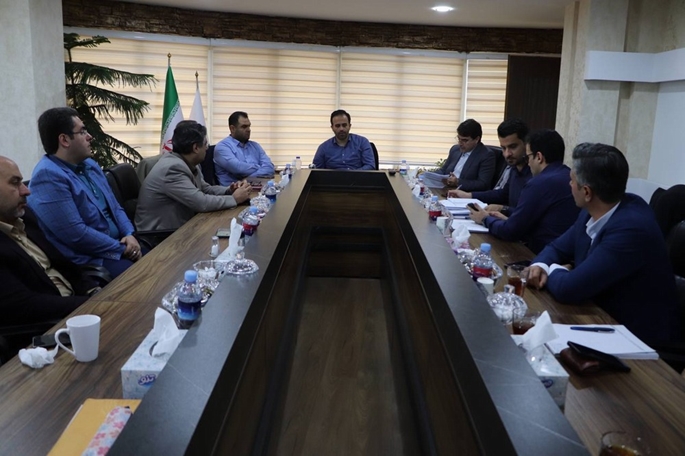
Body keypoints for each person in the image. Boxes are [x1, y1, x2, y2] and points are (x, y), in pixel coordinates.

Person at [527, 143, 680, 343]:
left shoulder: (631, 229)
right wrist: (540, 264)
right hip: (598, 316)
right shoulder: (592, 211)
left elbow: (569, 289)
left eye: (572, 180)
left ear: (587, 192)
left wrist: (553, 269)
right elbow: (557, 247)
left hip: (636, 339)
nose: (569, 185)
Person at [28, 107, 142, 279]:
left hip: (121, 246)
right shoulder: (48, 176)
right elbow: (77, 235)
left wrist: (129, 234)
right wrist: (122, 248)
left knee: (164, 263)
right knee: (144, 278)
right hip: (93, 260)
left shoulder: (90, 165)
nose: (90, 136)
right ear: (64, 140)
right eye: (82, 132)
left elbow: (115, 207)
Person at [0, 156, 98, 328]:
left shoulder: (25, 217)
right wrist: (90, 304)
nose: (26, 191)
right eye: (15, 183)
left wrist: (93, 290)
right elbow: (23, 305)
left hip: (79, 307)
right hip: (51, 328)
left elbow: (60, 261)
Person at [468, 130, 579, 253]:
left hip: (541, 253)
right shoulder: (569, 176)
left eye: (528, 157)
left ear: (539, 157)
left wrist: (484, 218)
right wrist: (508, 215)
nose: (528, 163)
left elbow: (509, 232)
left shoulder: (539, 183)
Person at [136, 120, 251, 231]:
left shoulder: (188, 162)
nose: (207, 148)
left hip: (181, 227)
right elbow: (201, 202)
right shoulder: (173, 169)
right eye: (205, 144)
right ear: (196, 148)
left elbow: (205, 189)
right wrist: (234, 199)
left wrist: (229, 190)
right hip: (160, 236)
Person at [449, 118, 531, 217]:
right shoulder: (515, 169)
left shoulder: (535, 174)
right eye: (503, 148)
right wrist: (468, 195)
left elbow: (528, 214)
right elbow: (503, 194)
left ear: (526, 144)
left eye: (513, 147)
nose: (507, 154)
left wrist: (503, 209)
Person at [424, 119, 495, 192]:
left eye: (465, 140)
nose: (460, 143)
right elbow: (443, 170)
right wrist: (427, 176)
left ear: (477, 139)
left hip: (465, 194)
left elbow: (483, 184)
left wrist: (458, 182)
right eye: (459, 139)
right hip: (445, 190)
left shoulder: (486, 155)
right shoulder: (455, 149)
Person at [214, 111, 275, 185]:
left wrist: (247, 179)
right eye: (244, 127)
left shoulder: (255, 146)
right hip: (233, 191)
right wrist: (261, 168)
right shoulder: (222, 147)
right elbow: (238, 169)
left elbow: (270, 168)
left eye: (249, 126)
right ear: (232, 128)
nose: (248, 130)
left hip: (258, 188)